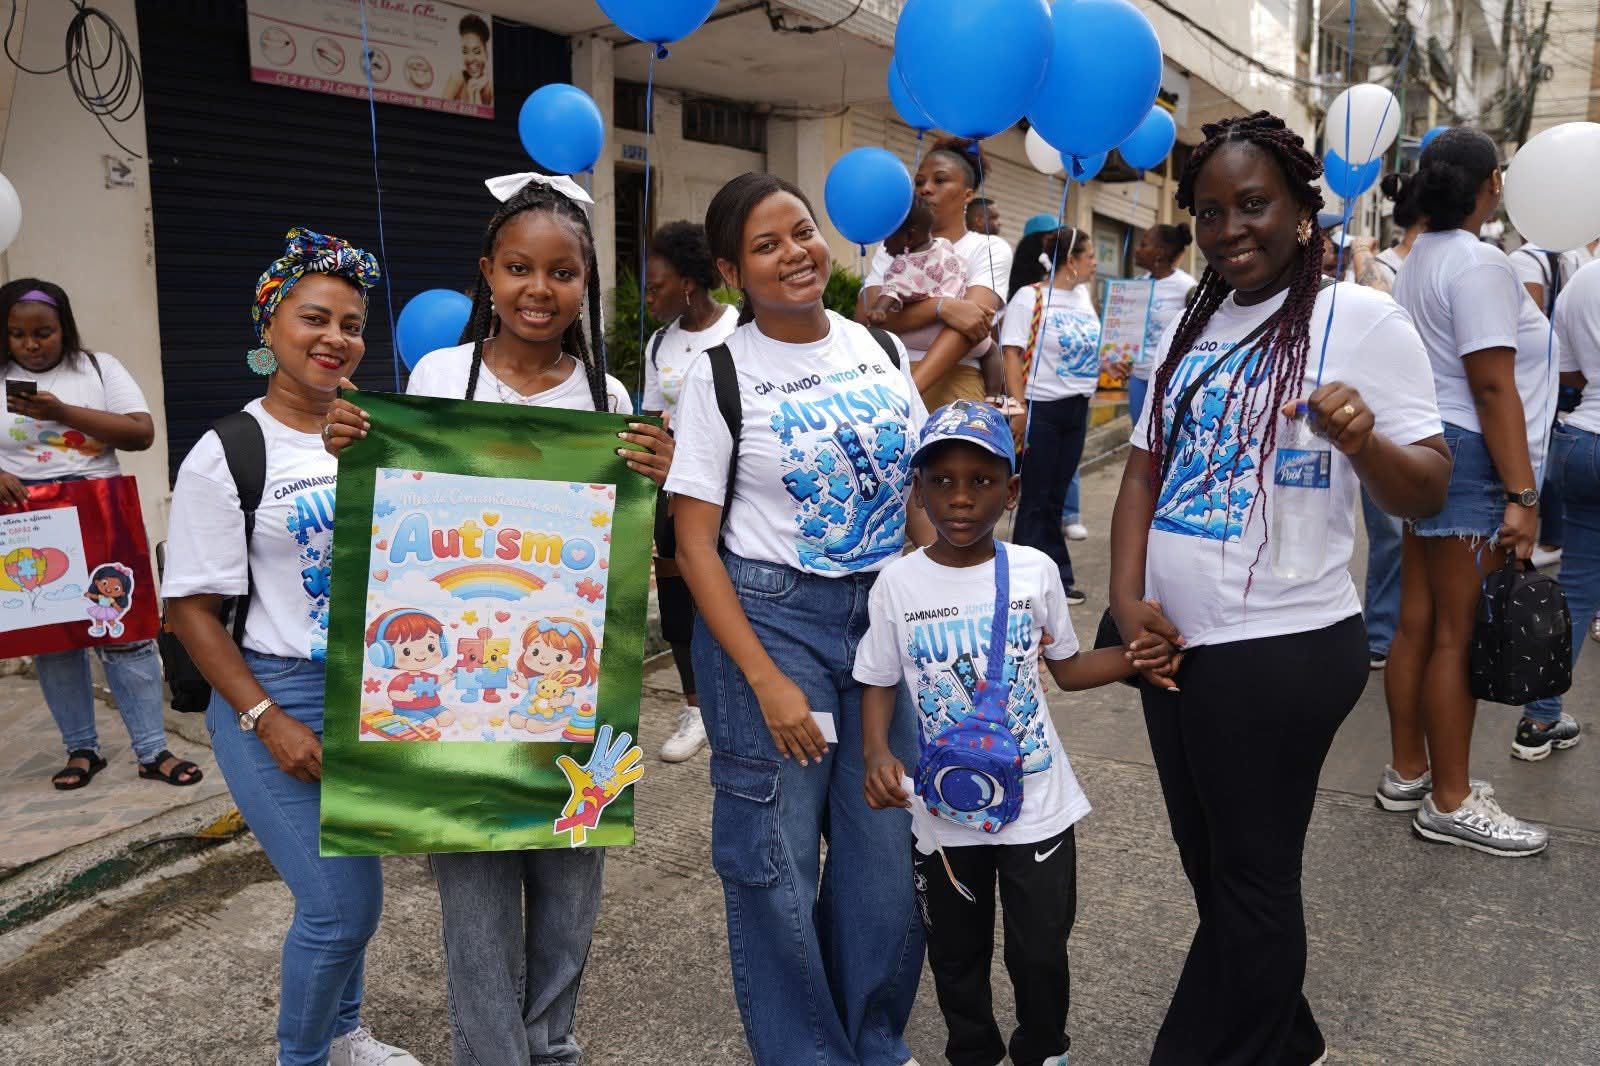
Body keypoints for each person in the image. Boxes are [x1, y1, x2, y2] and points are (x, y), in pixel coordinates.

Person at [1110, 112, 1449, 1064]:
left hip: (1280, 652)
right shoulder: (1194, 319)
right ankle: (1290, 1038)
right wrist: (1127, 599)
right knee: (1212, 871)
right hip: (1168, 642)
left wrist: (1363, 439)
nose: (1230, 230)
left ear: (1304, 211)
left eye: (1253, 205)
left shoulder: (1360, 318)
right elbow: (1142, 473)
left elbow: (1426, 486)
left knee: (1252, 881)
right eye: (1210, 212)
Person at [325, 174, 673, 1066]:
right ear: (487, 272)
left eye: (561, 273)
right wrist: (352, 448)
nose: (538, 289)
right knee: (472, 901)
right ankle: (493, 1056)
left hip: (571, 697)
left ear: (585, 286)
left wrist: (656, 474)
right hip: (451, 706)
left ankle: (549, 1045)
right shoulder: (441, 375)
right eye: (519, 267)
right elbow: (402, 503)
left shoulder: (610, 401)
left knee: (570, 889)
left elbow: (631, 539)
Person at [668, 171, 928, 1065]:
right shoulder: (722, 375)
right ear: (735, 272)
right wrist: (764, 679)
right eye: (767, 245)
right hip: (772, 621)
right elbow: (694, 546)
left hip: (885, 623)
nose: (795, 254)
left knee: (884, 857)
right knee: (773, 864)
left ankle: (874, 1042)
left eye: (803, 232)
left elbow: (918, 494)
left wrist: (948, 602)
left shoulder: (879, 350)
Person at [164, 230, 420, 1066]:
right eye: (314, 317)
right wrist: (266, 716)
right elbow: (191, 611)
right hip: (277, 695)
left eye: (351, 324)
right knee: (340, 908)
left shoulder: (384, 430)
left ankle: (346, 1033)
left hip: (376, 690)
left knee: (354, 888)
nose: (335, 339)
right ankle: (302, 1055)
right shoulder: (227, 452)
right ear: (270, 326)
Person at [856, 400, 1168, 1066]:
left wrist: (1137, 658)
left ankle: (1042, 1050)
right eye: (941, 481)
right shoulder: (896, 584)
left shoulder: (1034, 571)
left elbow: (1070, 667)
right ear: (917, 489)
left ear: (1012, 491)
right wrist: (877, 752)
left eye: (981, 481)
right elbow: (878, 678)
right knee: (956, 952)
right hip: (943, 815)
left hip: (1040, 809)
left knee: (1040, 949)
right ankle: (972, 1051)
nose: (961, 499)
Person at [1382, 126, 1558, 853]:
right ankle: (1450, 803)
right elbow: (1491, 385)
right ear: (1491, 183)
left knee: (1419, 622)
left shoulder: (1420, 256)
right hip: (1469, 457)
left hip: (1429, 447)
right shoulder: (1481, 264)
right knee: (1456, 631)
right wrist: (1522, 493)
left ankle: (1408, 773)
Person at [0, 280, 199, 791]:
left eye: (43, 332)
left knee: (126, 634)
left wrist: (60, 412)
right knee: (54, 643)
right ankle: (81, 749)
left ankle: (152, 751)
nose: (31, 344)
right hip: (26, 519)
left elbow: (141, 433)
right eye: (18, 334)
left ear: (64, 327)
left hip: (99, 509)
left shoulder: (96, 368)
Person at [642, 220, 738, 763]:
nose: (648, 295)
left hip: (731, 484)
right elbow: (658, 417)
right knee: (679, 600)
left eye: (656, 284)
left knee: (734, 588)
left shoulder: (738, 327)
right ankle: (696, 708)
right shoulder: (661, 342)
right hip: (673, 487)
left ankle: (736, 696)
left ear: (687, 281)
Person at [1509, 257, 1600, 760]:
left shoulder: (1584, 278)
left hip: (1581, 441)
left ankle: (1541, 717)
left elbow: (1563, 368)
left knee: (1580, 587)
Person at [864, 137, 1012, 409]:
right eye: (919, 182)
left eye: (940, 180)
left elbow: (971, 325)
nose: (926, 189)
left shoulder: (988, 248)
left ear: (968, 194)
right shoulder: (891, 247)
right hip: (887, 377)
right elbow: (868, 319)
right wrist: (942, 308)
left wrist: (907, 393)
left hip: (954, 380)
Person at [1001, 226, 1101, 606]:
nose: (1094, 263)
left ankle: (1049, 577)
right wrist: (1018, 406)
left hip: (1077, 406)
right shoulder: (1030, 297)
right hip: (1040, 407)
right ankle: (1031, 580)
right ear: (1071, 261)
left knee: (1056, 499)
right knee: (1036, 499)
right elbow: (1011, 352)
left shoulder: (1082, 296)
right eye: (1089, 256)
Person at [1129, 223, 1198, 427]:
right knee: (1139, 437)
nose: (1137, 249)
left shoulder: (1187, 287)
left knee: (1165, 439)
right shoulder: (1136, 285)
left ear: (1159, 252)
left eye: (1143, 244)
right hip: (1138, 378)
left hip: (1170, 379)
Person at [867, 198, 970, 327]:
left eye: (888, 235)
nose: (884, 242)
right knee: (986, 345)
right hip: (955, 314)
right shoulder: (943, 244)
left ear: (910, 237)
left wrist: (879, 310)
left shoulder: (904, 265)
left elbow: (892, 288)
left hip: (933, 324)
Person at [444, 13, 493, 107]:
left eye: (477, 51)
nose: (470, 58)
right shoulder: (457, 79)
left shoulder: (490, 87)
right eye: (465, 51)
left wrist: (476, 93)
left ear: (486, 53)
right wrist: (471, 93)